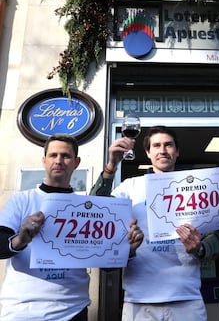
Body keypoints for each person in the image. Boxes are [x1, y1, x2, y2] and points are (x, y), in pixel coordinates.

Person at [0, 133, 143, 321]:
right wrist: (21, 239)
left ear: (76, 162)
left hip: (73, 310)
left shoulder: (85, 206)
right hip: (22, 310)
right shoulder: (21, 200)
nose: (58, 161)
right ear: (44, 161)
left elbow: (105, 263)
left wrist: (127, 251)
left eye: (65, 156)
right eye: (53, 155)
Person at [90, 125, 219, 321]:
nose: (162, 150)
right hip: (139, 300)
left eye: (168, 145)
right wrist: (111, 166)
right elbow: (94, 212)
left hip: (186, 298)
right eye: (156, 145)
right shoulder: (130, 186)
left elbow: (216, 238)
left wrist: (200, 248)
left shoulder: (194, 187)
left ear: (177, 152)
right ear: (148, 152)